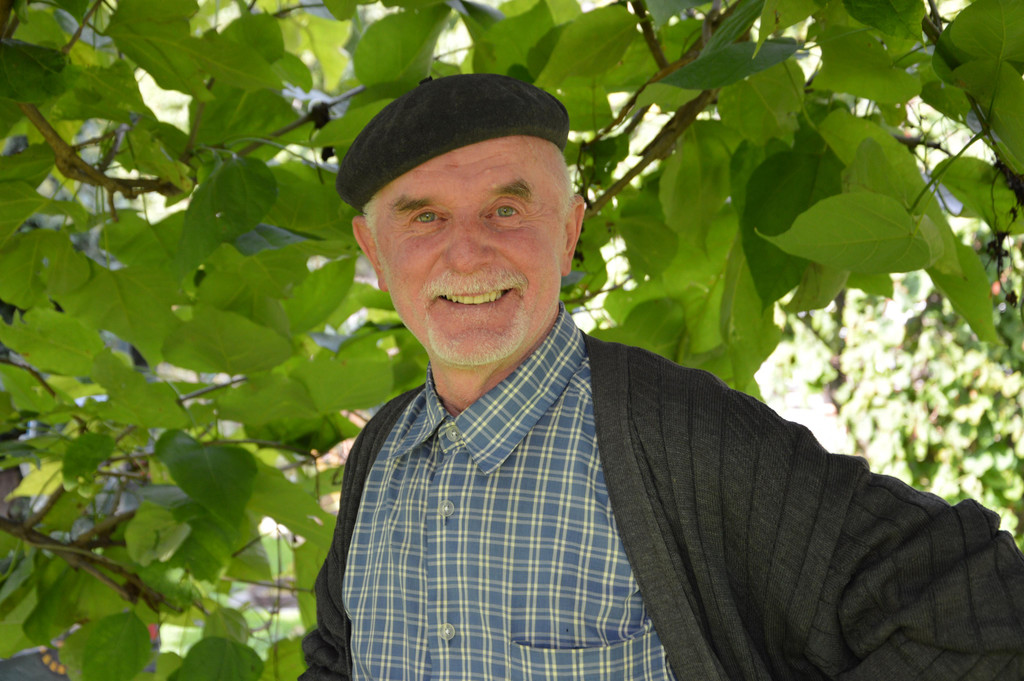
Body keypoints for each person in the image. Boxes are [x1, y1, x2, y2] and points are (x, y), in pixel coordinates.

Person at [301, 73, 1024, 681]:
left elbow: (974, 607)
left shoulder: (680, 437)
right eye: (425, 218)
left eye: (506, 209)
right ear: (375, 250)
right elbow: (339, 659)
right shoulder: (381, 452)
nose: (466, 254)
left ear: (568, 232)